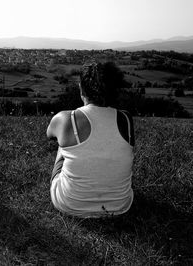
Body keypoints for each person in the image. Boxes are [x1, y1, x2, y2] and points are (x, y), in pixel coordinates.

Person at [47, 62, 135, 218]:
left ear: (81, 88)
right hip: (119, 205)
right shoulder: (126, 119)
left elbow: (49, 135)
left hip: (69, 203)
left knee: (62, 146)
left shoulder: (66, 119)